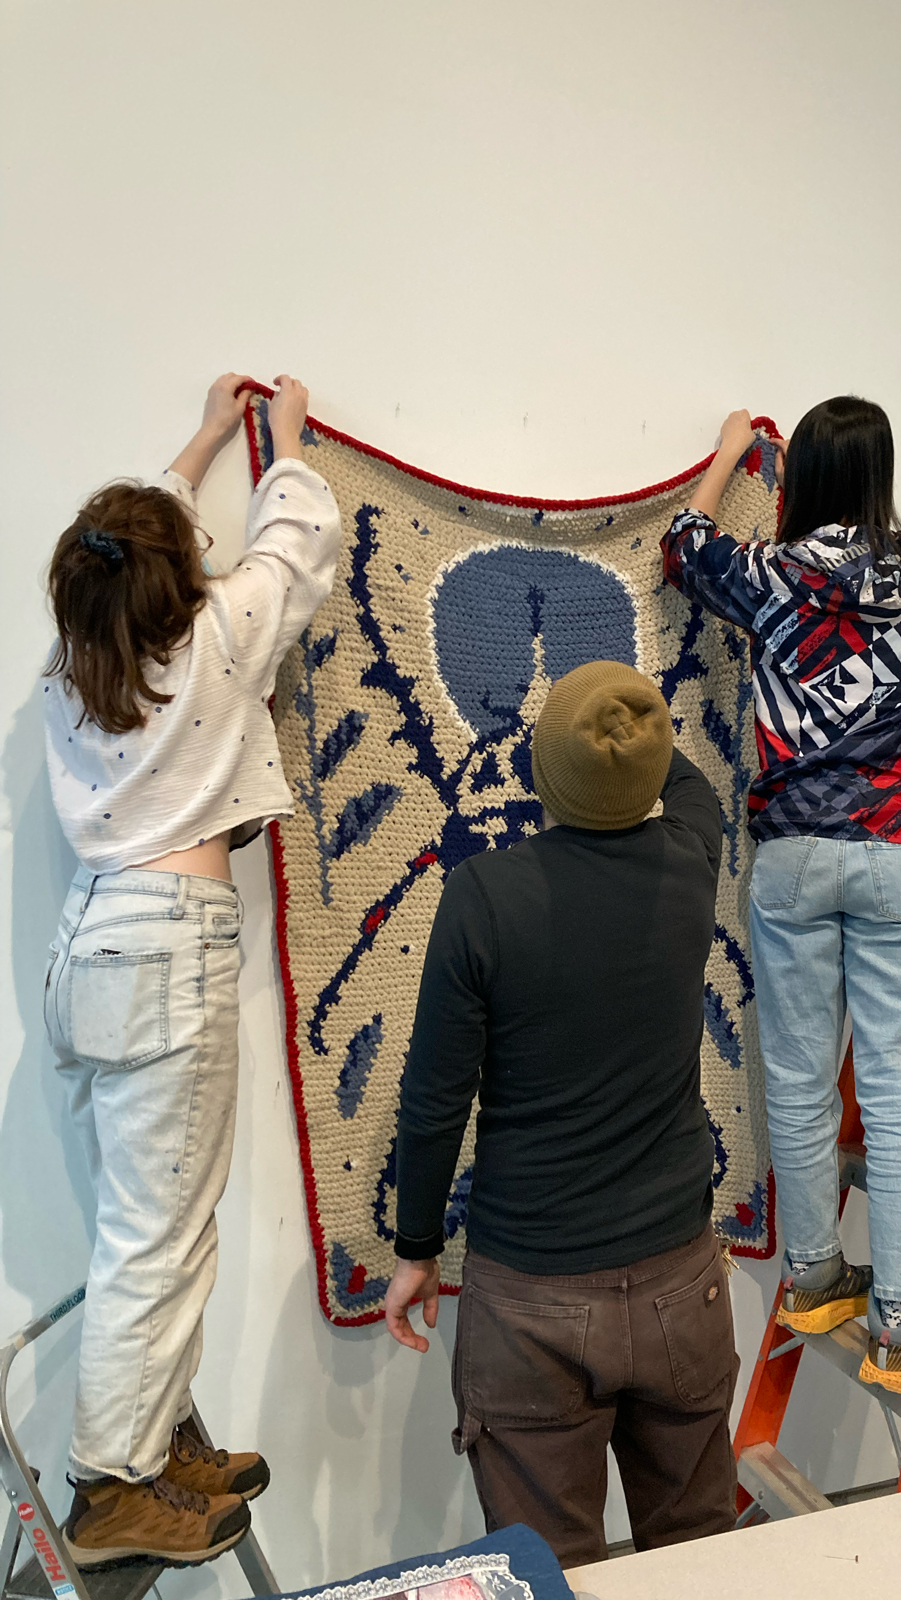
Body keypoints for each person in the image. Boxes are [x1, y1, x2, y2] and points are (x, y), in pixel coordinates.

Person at [42, 373, 341, 1566]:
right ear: (178, 577)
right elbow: (297, 540)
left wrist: (205, 439)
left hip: (101, 933)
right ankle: (109, 1482)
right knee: (158, 1235)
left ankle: (153, 1438)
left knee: (152, 1221)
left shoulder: (81, 660)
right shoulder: (214, 641)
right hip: (171, 944)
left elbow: (130, 549)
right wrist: (288, 440)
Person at [383, 661, 738, 1569]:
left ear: (542, 773)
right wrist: (635, 708)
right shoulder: (694, 861)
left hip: (532, 1305)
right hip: (679, 1285)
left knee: (553, 1577)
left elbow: (434, 1101)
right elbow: (687, 783)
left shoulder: (483, 898)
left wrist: (416, 1248)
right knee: (697, 1563)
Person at [661, 398, 901, 1396]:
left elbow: (682, 543)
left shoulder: (771, 576)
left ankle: (817, 1274)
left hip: (795, 852)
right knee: (896, 1090)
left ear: (805, 480)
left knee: (795, 1075)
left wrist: (730, 454)